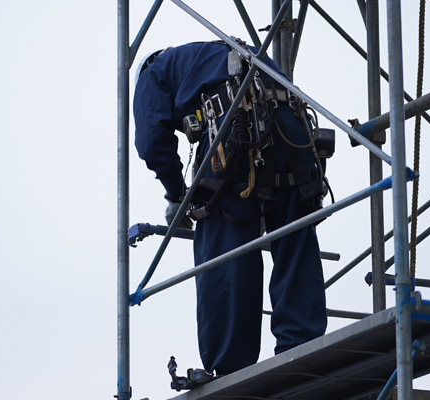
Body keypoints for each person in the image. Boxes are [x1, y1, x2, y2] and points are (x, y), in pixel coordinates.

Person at [133, 41, 327, 377]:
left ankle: (230, 364)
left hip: (235, 129)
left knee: (225, 246)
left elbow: (152, 143)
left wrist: (179, 193)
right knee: (294, 237)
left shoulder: (153, 72)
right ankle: (302, 347)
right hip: (294, 135)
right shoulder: (228, 51)